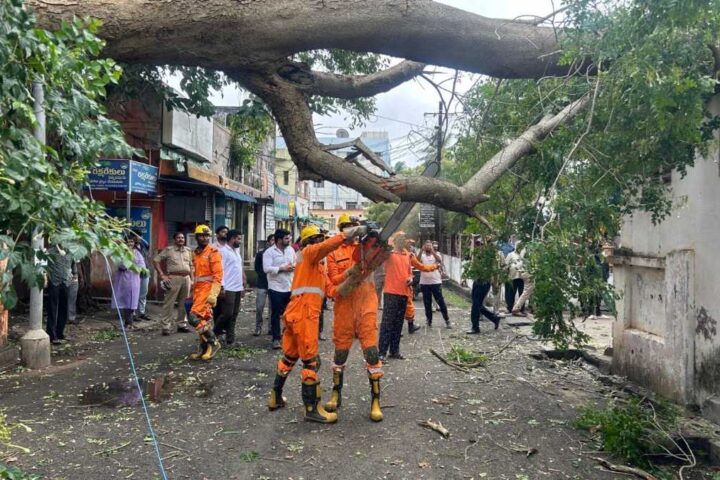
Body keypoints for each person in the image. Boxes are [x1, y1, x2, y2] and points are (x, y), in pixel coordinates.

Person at [267, 224, 364, 423]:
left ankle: (275, 397)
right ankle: (311, 409)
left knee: (289, 357)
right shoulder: (307, 253)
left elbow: (332, 291)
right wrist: (349, 234)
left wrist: (352, 274)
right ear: (310, 242)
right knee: (311, 362)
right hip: (304, 313)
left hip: (298, 313)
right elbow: (326, 247)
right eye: (318, 239)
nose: (320, 242)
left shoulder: (317, 266)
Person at [324, 214, 384, 422]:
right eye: (347, 228)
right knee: (340, 352)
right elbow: (332, 281)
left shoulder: (366, 247)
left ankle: (376, 400)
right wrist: (350, 272)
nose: (351, 231)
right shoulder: (332, 253)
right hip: (344, 305)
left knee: (371, 351)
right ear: (341, 230)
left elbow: (383, 249)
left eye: (354, 227)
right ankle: (335, 393)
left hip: (366, 301)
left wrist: (374, 233)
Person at [378, 232, 438, 360]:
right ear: (395, 241)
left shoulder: (408, 255)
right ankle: (382, 353)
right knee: (387, 324)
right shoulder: (389, 254)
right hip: (391, 293)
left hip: (404, 293)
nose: (404, 242)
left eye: (405, 239)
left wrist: (411, 278)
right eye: (401, 239)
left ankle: (394, 351)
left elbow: (410, 272)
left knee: (398, 324)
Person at [187, 225, 223, 361]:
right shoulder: (196, 253)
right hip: (198, 290)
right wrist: (192, 291)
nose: (205, 238)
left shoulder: (213, 252)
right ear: (196, 237)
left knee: (193, 317)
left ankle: (214, 343)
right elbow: (197, 276)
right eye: (202, 236)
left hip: (207, 291)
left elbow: (218, 276)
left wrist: (213, 294)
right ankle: (204, 349)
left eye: (207, 236)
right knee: (203, 321)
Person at [153, 231, 193, 336]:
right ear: (175, 239)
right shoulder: (168, 250)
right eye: (179, 238)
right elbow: (156, 260)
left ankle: (182, 324)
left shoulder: (188, 251)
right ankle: (166, 326)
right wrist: (162, 275)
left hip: (186, 278)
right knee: (169, 303)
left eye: (182, 238)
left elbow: (191, 266)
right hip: (174, 278)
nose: (181, 239)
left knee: (184, 303)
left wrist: (192, 280)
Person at [263, 228, 296, 350]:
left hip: (289, 286)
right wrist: (282, 268)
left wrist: (293, 267)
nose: (289, 240)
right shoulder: (269, 252)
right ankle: (276, 338)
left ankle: (288, 336)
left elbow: (295, 263)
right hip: (275, 287)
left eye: (289, 238)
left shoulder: (291, 250)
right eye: (287, 238)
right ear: (279, 239)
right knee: (276, 314)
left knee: (290, 313)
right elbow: (266, 268)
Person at [214, 229, 246, 345]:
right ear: (232, 238)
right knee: (227, 313)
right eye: (238, 239)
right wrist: (221, 287)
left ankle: (230, 338)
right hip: (228, 287)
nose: (240, 241)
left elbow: (239, 268)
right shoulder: (222, 251)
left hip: (237, 287)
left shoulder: (236, 251)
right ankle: (214, 333)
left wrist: (243, 283)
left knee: (234, 314)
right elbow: (220, 270)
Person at [466, 236, 502, 334]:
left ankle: (475, 327)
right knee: (477, 304)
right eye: (477, 244)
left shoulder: (489, 256)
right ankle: (494, 318)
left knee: (475, 306)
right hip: (479, 281)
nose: (478, 246)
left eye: (480, 244)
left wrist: (495, 283)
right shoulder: (482, 255)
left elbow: (494, 271)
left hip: (483, 282)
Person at [111, 235, 146, 331]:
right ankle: (127, 323)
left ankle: (130, 323)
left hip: (134, 279)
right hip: (122, 279)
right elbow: (121, 265)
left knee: (133, 301)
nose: (130, 244)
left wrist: (134, 267)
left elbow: (142, 265)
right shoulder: (119, 253)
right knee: (125, 301)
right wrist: (130, 265)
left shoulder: (137, 253)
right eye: (128, 242)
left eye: (132, 242)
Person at [45, 244, 76, 344]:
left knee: (64, 308)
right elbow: (43, 266)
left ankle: (60, 333)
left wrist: (74, 276)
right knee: (52, 308)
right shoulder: (50, 252)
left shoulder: (70, 252)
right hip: (54, 282)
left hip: (65, 282)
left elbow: (73, 265)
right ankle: (51, 335)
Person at [418, 240, 451, 328]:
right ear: (424, 247)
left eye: (430, 246)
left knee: (441, 302)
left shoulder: (437, 255)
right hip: (425, 283)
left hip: (436, 282)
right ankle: (429, 321)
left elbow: (440, 260)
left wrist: (432, 251)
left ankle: (447, 320)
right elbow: (417, 261)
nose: (428, 247)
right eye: (426, 246)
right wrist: (421, 250)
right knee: (427, 303)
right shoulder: (423, 256)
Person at [254, 234, 275, 336]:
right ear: (268, 242)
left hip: (274, 285)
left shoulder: (278, 255)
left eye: (276, 240)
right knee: (259, 307)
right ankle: (258, 326)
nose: (274, 242)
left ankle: (271, 328)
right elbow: (257, 268)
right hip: (262, 284)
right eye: (272, 240)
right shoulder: (260, 254)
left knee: (273, 308)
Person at [133, 229, 152, 322]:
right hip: (134, 273)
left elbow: (147, 245)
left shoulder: (143, 245)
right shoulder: (130, 247)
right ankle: (132, 314)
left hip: (145, 272)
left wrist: (141, 240)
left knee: (143, 293)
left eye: (140, 236)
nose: (139, 237)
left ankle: (141, 313)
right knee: (133, 293)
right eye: (136, 235)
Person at [511, 242, 534, 317]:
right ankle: (516, 308)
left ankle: (531, 307)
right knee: (527, 291)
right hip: (528, 272)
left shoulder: (524, 250)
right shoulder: (528, 250)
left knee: (528, 290)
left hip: (524, 271)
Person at [504, 241, 525, 314]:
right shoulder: (510, 254)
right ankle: (509, 308)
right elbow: (506, 265)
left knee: (522, 293)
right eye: (518, 246)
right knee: (511, 293)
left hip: (522, 277)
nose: (520, 248)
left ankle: (521, 309)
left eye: (521, 246)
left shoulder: (524, 255)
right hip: (512, 276)